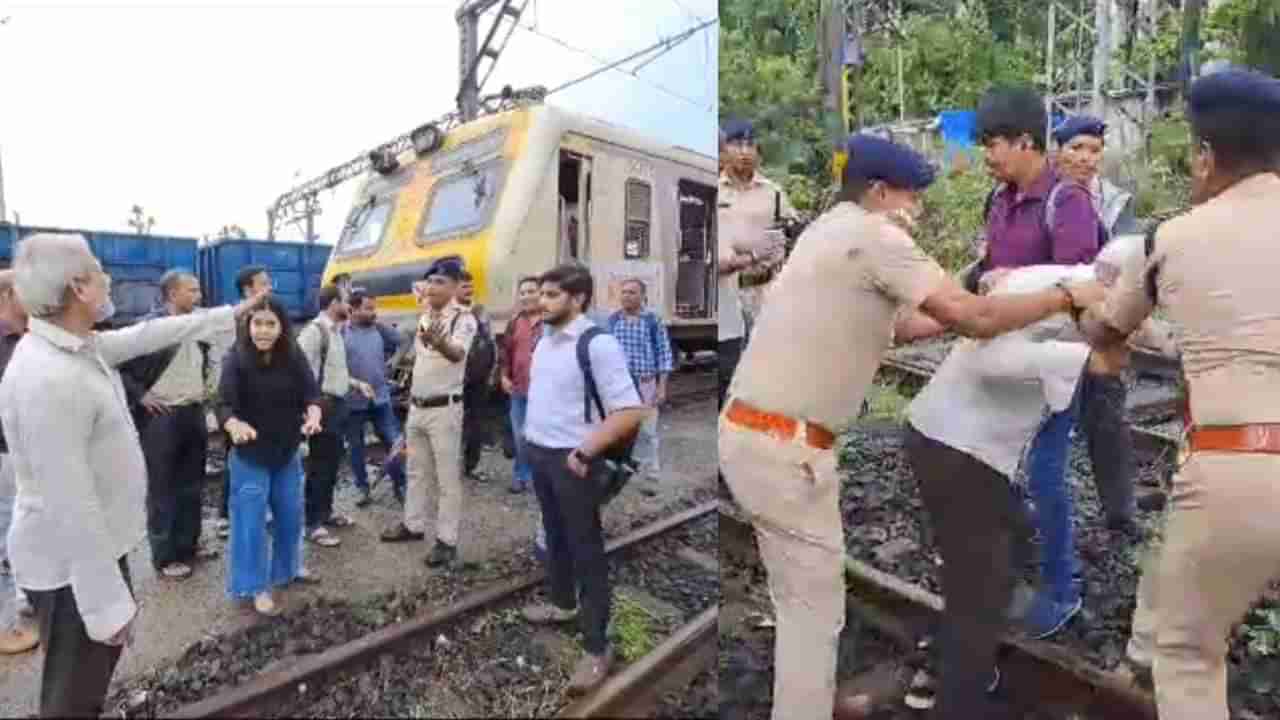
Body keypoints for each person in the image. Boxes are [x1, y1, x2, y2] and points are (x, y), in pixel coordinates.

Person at [719, 135, 1102, 720]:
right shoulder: (877, 237)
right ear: (879, 192)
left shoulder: (829, 230)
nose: (915, 209)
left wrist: (969, 290)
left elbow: (900, 326)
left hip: (756, 436)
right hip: (784, 448)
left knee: (799, 597)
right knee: (814, 613)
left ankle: (811, 698)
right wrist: (1062, 294)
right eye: (911, 196)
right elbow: (974, 321)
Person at [1077, 68, 1280, 720]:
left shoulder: (1174, 236)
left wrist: (1081, 297)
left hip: (1237, 468)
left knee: (1188, 652)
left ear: (1207, 154)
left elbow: (1107, 330)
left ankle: (1148, 658)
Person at [0, 232, 266, 717]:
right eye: (100, 271)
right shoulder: (46, 378)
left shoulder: (76, 346)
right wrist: (106, 607)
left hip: (93, 552)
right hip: (70, 569)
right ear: (79, 288)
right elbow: (70, 506)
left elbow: (149, 335)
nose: (109, 280)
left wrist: (230, 314)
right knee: (72, 695)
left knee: (87, 682)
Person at [904, 261, 1113, 719]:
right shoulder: (1054, 295)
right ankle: (960, 696)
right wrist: (1074, 360)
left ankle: (960, 657)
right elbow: (986, 359)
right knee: (981, 591)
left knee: (1012, 536)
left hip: (953, 444)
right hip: (957, 451)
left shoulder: (1066, 282)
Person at [971, 86, 1106, 638]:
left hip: (1052, 359)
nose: (986, 155)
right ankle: (1015, 567)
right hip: (1006, 356)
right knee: (996, 468)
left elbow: (1083, 285)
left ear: (1025, 142)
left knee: (1046, 474)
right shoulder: (998, 200)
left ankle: (1062, 588)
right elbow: (991, 263)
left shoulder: (1066, 201)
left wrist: (1014, 286)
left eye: (992, 144)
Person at [519, 263, 648, 695]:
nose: (542, 301)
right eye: (541, 294)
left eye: (552, 295)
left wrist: (585, 452)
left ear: (578, 299)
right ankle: (562, 605)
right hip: (541, 454)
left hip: (574, 462)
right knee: (554, 537)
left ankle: (597, 647)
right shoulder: (544, 340)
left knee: (585, 550)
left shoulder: (597, 343)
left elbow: (630, 411)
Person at [1052, 115, 1147, 535]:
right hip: (1063, 324)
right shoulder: (1057, 197)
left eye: (1094, 150)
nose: (1087, 158)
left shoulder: (1108, 201)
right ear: (1058, 151)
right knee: (1061, 419)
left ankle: (1120, 512)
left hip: (1093, 326)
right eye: (1077, 148)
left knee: (1105, 419)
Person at [218, 295, 323, 617]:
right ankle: (255, 586)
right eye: (257, 323)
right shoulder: (236, 358)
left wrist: (314, 414)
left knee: (290, 516)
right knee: (250, 524)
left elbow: (311, 393)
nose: (263, 331)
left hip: (286, 452)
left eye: (270, 324)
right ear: (247, 326)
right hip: (250, 457)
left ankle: (286, 570)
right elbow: (223, 404)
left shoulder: (293, 356)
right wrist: (233, 423)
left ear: (282, 327)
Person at [118, 271, 216, 582]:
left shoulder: (197, 326)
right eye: (193, 290)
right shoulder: (150, 329)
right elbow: (118, 365)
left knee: (191, 484)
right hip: (162, 417)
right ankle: (164, 556)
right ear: (172, 294)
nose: (199, 295)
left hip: (192, 411)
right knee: (163, 487)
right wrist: (140, 395)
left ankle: (188, 545)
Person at [380, 259, 476, 571]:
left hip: (445, 409)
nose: (431, 288)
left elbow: (456, 354)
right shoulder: (424, 318)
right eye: (430, 282)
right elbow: (421, 358)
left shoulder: (464, 319)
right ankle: (413, 524)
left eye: (439, 282)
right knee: (416, 471)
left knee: (447, 478)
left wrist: (440, 341)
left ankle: (447, 541)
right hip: (418, 408)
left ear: (453, 286)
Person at [719, 117, 799, 339]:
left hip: (767, 291)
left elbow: (794, 230)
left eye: (750, 145)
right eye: (736, 145)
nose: (744, 152)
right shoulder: (715, 190)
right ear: (723, 152)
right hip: (727, 293)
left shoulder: (772, 192)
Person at [296, 285, 360, 549]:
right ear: (334, 303)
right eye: (346, 301)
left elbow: (335, 371)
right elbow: (300, 372)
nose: (350, 306)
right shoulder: (315, 332)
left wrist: (355, 383)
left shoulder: (335, 332)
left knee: (332, 463)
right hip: (321, 407)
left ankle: (326, 512)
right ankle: (313, 524)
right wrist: (308, 408)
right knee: (320, 466)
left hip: (337, 404)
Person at [216, 265, 272, 540]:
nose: (269, 287)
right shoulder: (232, 319)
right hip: (238, 400)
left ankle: (259, 510)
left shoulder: (269, 315)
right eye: (264, 283)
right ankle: (226, 515)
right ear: (249, 290)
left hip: (265, 399)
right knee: (236, 457)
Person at [606, 278, 675, 489]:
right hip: (619, 385)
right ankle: (616, 472)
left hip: (645, 384)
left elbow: (664, 355)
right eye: (624, 292)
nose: (626, 296)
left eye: (632, 292)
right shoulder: (613, 320)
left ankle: (651, 475)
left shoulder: (652, 321)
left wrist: (661, 386)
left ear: (643, 296)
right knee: (617, 430)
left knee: (647, 431)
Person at [0, 270, 36, 656]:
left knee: (21, 526)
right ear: (10, 294)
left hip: (21, 450)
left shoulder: (25, 338)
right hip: (3, 452)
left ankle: (25, 597)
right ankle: (3, 627)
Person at [341, 290, 402, 507]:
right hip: (353, 401)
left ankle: (400, 485)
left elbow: (401, 340)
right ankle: (362, 489)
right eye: (368, 308)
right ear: (353, 309)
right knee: (355, 446)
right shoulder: (341, 332)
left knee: (393, 442)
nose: (372, 312)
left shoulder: (378, 329)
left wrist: (393, 363)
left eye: (373, 308)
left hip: (380, 398)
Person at [499, 276, 542, 494]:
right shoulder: (515, 322)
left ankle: (542, 479)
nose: (526, 296)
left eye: (531, 291)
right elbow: (506, 353)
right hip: (519, 390)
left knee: (542, 437)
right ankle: (521, 475)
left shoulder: (550, 322)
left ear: (541, 293)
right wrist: (504, 376)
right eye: (523, 292)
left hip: (545, 393)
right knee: (520, 437)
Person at [456, 270, 497, 479]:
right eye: (464, 286)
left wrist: (491, 373)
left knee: (476, 423)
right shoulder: (449, 314)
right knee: (453, 423)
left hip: (479, 379)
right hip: (455, 381)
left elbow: (490, 342)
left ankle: (471, 466)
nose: (469, 290)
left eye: (471, 287)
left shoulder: (480, 311)